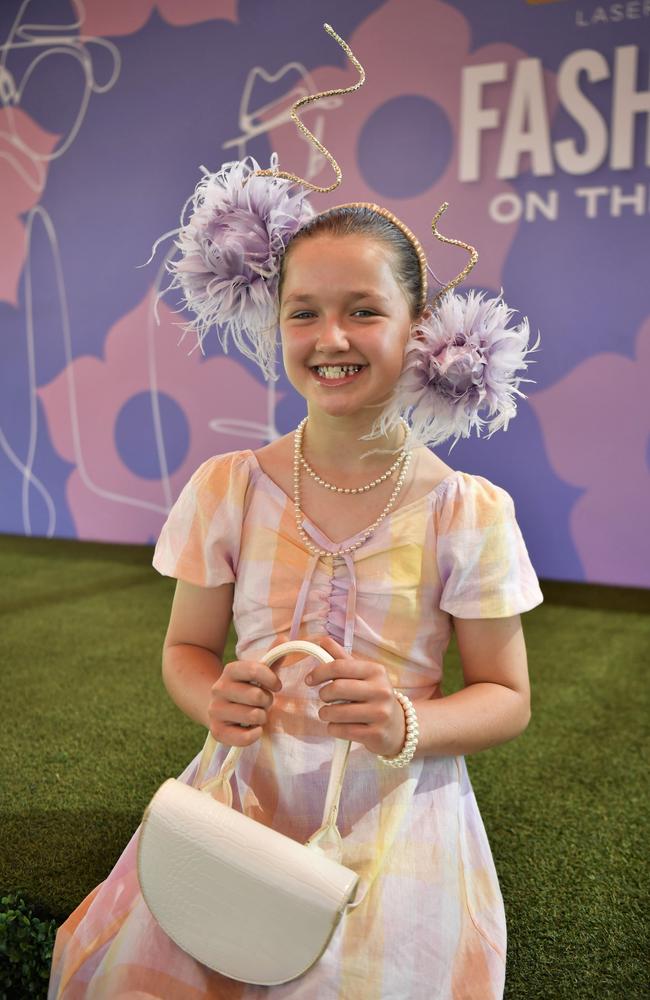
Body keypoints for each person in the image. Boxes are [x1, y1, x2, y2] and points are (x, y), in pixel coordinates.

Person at [48, 25, 543, 1000]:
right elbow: (187, 650)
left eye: (363, 309)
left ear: (421, 332)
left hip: (394, 818)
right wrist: (209, 698)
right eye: (303, 312)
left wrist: (408, 718)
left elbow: (505, 695)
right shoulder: (226, 488)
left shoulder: (467, 511)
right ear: (272, 324)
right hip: (236, 800)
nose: (331, 336)